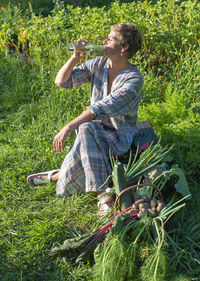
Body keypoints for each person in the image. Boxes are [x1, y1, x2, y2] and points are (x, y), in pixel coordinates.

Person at [27, 23, 143, 216]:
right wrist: (75, 58)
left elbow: (101, 107)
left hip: (118, 137)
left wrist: (68, 126)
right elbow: (62, 81)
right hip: (92, 131)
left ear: (124, 48)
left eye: (110, 38)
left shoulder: (133, 79)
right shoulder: (99, 63)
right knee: (86, 132)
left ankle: (103, 196)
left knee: (85, 128)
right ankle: (57, 176)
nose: (104, 41)